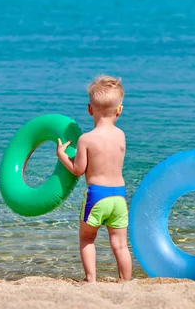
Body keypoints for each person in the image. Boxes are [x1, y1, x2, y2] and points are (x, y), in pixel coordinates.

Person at [56, 75, 132, 282]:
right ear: (119, 110)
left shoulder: (86, 139)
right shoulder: (121, 135)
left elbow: (78, 169)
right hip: (119, 197)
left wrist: (62, 155)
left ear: (90, 109)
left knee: (87, 238)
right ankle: (126, 281)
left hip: (97, 196)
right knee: (121, 245)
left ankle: (91, 279)